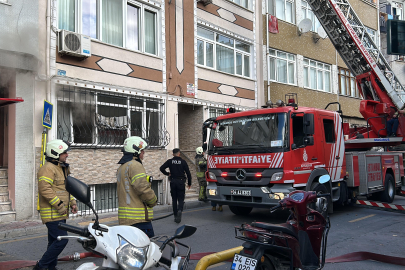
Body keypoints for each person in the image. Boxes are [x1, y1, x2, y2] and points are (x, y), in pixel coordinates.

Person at [34, 139, 78, 270]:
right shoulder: (47, 169)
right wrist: (59, 204)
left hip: (60, 213)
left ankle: (50, 267)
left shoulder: (62, 168)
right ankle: (41, 266)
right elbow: (45, 189)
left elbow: (67, 187)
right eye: (64, 152)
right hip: (53, 213)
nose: (67, 155)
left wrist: (72, 202)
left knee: (54, 241)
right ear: (55, 153)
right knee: (62, 240)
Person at [117, 136, 157, 238]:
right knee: (149, 249)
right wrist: (152, 200)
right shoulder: (135, 165)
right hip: (139, 221)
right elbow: (142, 188)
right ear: (136, 151)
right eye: (142, 151)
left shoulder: (122, 167)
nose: (144, 153)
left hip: (126, 220)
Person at [160, 148, 192, 223]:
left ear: (173, 154)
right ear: (179, 153)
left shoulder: (170, 161)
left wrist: (167, 174)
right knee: (181, 199)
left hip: (173, 181)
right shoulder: (183, 162)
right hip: (181, 182)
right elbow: (188, 173)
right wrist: (189, 183)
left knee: (174, 199)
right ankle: (180, 210)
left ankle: (175, 215)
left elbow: (161, 168)